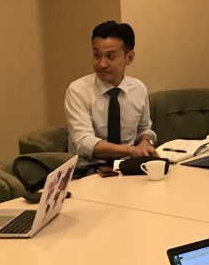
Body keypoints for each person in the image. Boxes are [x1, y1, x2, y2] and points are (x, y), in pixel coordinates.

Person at [63, 21, 157, 170]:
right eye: (97, 55)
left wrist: (146, 142)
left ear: (129, 57)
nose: (102, 64)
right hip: (88, 170)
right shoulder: (78, 90)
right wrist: (130, 150)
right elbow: (83, 142)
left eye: (110, 56)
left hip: (129, 167)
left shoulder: (139, 89)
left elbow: (144, 129)